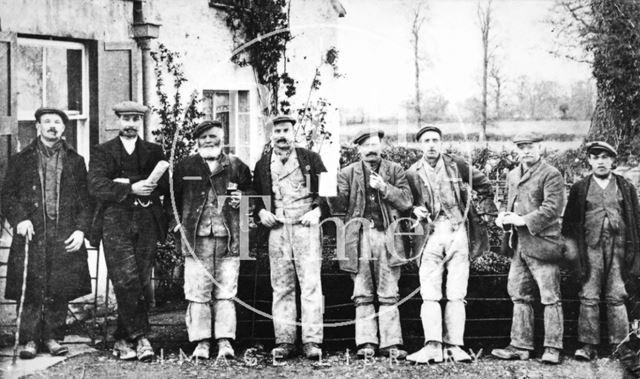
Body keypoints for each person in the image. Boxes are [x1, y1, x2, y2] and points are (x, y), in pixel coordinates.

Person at [2, 107, 91, 358]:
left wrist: (81, 230)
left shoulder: (75, 161)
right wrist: (20, 219)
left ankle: (52, 337)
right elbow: (7, 195)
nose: (52, 126)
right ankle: (30, 340)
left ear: (64, 128)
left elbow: (86, 200)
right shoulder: (21, 159)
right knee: (30, 284)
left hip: (63, 232)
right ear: (38, 127)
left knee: (58, 286)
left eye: (58, 122)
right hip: (32, 233)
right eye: (47, 121)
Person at [405, 125, 497, 364]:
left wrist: (482, 213)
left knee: (457, 293)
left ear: (441, 142)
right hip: (429, 236)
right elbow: (403, 203)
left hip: (458, 233)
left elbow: (484, 184)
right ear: (420, 145)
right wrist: (415, 210)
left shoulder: (457, 165)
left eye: (436, 140)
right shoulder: (412, 173)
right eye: (426, 141)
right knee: (429, 293)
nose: (432, 145)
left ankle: (455, 346)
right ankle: (432, 346)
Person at [88, 101, 168, 361]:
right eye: (126, 118)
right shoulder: (102, 151)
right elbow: (97, 185)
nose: (131, 123)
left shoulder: (155, 151)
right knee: (124, 278)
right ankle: (142, 338)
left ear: (141, 122)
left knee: (142, 279)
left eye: (136, 119)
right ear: (118, 121)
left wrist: (125, 183)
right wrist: (132, 186)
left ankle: (124, 339)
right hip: (115, 220)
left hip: (146, 219)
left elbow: (164, 185)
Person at [170, 120, 252, 359]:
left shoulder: (237, 166)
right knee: (198, 291)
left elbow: (253, 194)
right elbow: (172, 199)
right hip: (196, 239)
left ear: (222, 138)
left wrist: (243, 198)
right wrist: (175, 223)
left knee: (226, 290)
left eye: (213, 136)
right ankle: (201, 342)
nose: (208, 141)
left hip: (230, 239)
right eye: (203, 137)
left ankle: (225, 341)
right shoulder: (185, 166)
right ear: (197, 140)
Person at [331, 130, 413, 359]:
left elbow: (407, 202)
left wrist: (384, 188)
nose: (370, 149)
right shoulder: (347, 173)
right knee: (362, 291)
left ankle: (391, 344)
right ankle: (366, 343)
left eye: (374, 144)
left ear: (381, 146)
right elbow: (338, 207)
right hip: (358, 237)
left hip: (388, 236)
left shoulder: (395, 170)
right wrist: (328, 188)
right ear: (358, 149)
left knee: (389, 291)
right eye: (365, 145)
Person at [252, 115, 328, 359]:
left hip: (305, 226)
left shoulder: (310, 159)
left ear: (294, 134)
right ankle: (284, 341)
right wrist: (261, 211)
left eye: (286, 130)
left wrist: (319, 210)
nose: (282, 136)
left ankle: (312, 341)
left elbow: (328, 189)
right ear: (271, 136)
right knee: (281, 286)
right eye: (277, 132)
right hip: (278, 229)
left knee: (310, 285)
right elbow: (255, 195)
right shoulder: (263, 164)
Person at [491, 132, 566, 365]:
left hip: (543, 244)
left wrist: (522, 220)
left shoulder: (551, 174)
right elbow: (507, 202)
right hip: (518, 246)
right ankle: (520, 346)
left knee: (550, 297)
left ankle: (553, 348)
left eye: (530, 146)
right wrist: (502, 216)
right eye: (521, 147)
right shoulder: (513, 175)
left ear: (540, 147)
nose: (526, 151)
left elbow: (552, 209)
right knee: (519, 295)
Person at [562, 141, 640, 360]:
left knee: (617, 294)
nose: (601, 162)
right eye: (596, 158)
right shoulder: (580, 188)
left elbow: (635, 220)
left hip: (620, 249)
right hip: (590, 249)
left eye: (605, 158)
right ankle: (588, 345)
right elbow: (569, 224)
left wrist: (635, 255)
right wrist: (573, 255)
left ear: (613, 161)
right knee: (589, 294)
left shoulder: (625, 186)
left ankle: (620, 345)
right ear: (589, 161)